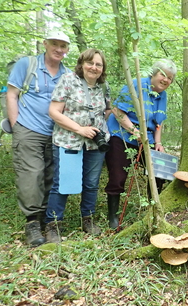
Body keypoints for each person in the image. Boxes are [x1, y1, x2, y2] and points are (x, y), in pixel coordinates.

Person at [7, 31, 71, 246]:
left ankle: (46, 217)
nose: (59, 49)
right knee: (31, 174)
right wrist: (16, 125)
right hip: (28, 128)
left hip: (56, 132)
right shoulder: (27, 65)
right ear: (45, 44)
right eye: (55, 44)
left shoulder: (68, 74)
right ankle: (32, 223)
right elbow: (11, 94)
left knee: (51, 175)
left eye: (63, 46)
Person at [43, 49, 111, 242]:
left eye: (99, 64)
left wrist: (96, 130)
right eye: (90, 63)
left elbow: (106, 111)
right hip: (68, 140)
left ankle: (87, 219)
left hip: (95, 144)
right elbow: (54, 112)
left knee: (91, 183)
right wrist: (80, 129)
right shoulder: (68, 80)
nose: (94, 67)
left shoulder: (103, 87)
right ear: (82, 63)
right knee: (63, 183)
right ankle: (53, 224)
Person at [105, 59, 177, 228]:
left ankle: (153, 209)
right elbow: (117, 110)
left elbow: (159, 120)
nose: (166, 80)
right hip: (122, 134)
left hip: (147, 139)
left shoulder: (162, 95)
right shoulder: (137, 85)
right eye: (163, 75)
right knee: (118, 175)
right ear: (153, 73)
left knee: (159, 171)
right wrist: (134, 131)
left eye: (170, 78)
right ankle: (113, 218)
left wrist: (158, 142)